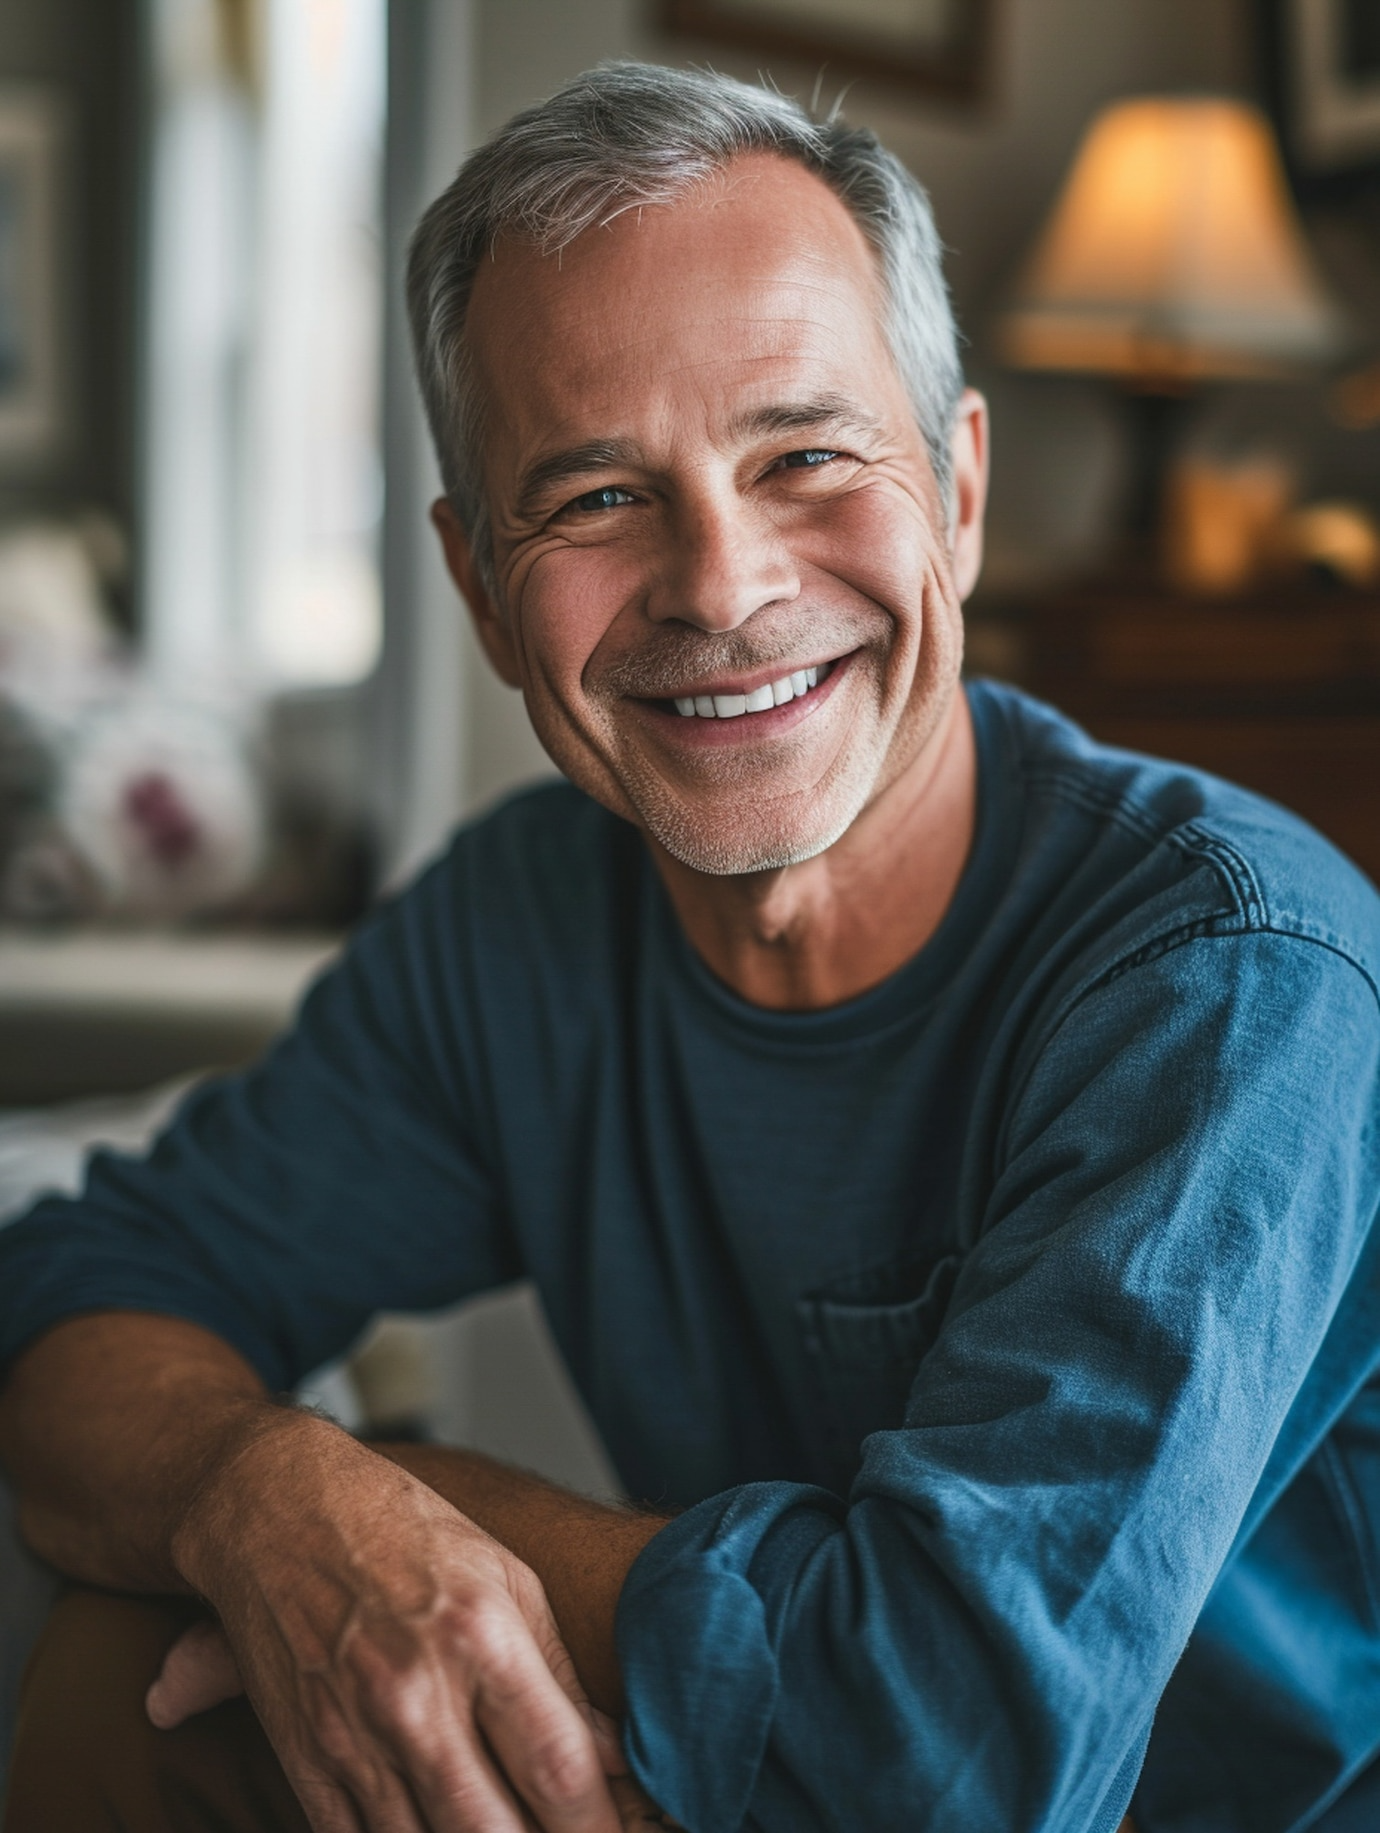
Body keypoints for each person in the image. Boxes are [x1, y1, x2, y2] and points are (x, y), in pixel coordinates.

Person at [2, 59, 1380, 1833]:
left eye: (805, 454)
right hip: (725, 1767)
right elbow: (80, 1295)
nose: (719, 589)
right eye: (591, 498)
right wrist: (264, 1492)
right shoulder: (519, 927)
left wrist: (414, 1497)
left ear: (956, 493)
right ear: (483, 593)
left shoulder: (1231, 976)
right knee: (145, 1649)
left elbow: (947, 1761)